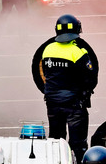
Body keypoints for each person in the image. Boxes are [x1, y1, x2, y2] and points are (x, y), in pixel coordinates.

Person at [31, 14, 100, 154]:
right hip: (74, 104)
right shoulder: (78, 51)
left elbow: (44, 73)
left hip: (52, 103)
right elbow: (90, 78)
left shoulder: (47, 49)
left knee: (56, 141)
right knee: (78, 144)